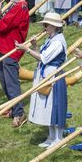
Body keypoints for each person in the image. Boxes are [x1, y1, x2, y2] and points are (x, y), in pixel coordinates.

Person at [26, 10, 70, 147]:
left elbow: (44, 58)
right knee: (47, 106)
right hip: (46, 73)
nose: (44, 27)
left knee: (55, 105)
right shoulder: (50, 39)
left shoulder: (58, 42)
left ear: (54, 26)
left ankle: (59, 138)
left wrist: (27, 49)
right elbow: (41, 56)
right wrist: (34, 46)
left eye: (46, 25)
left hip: (54, 75)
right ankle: (51, 137)